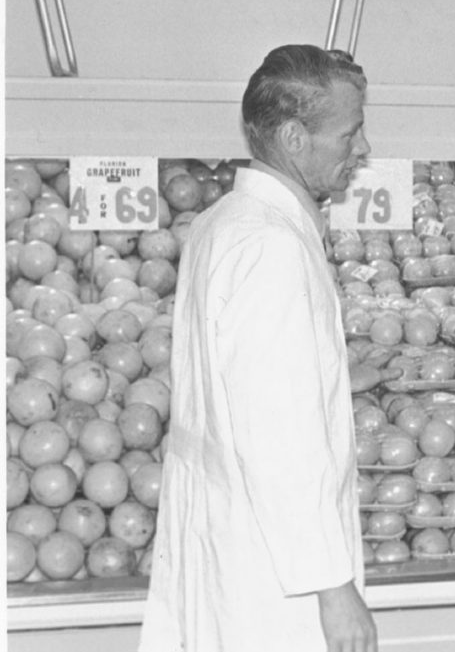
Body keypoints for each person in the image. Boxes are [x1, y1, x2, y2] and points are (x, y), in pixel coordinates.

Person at [139, 45, 376, 652]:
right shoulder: (271, 247)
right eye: (350, 133)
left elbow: (239, 383)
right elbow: (279, 440)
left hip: (229, 540)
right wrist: (334, 587)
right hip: (275, 574)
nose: (363, 150)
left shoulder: (225, 221)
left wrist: (330, 383)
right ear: (296, 138)